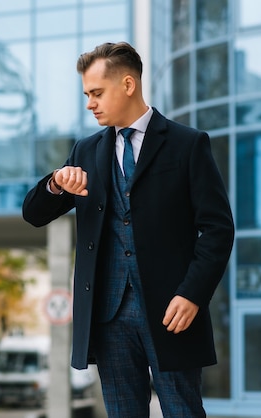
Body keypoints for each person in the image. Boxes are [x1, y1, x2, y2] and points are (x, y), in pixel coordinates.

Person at [22, 42, 234, 417]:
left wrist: (193, 294)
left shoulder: (187, 145)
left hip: (171, 313)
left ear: (128, 84)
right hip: (108, 315)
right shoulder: (85, 152)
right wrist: (56, 183)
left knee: (182, 411)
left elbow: (217, 229)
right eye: (87, 95)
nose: (90, 104)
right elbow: (34, 215)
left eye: (97, 93)